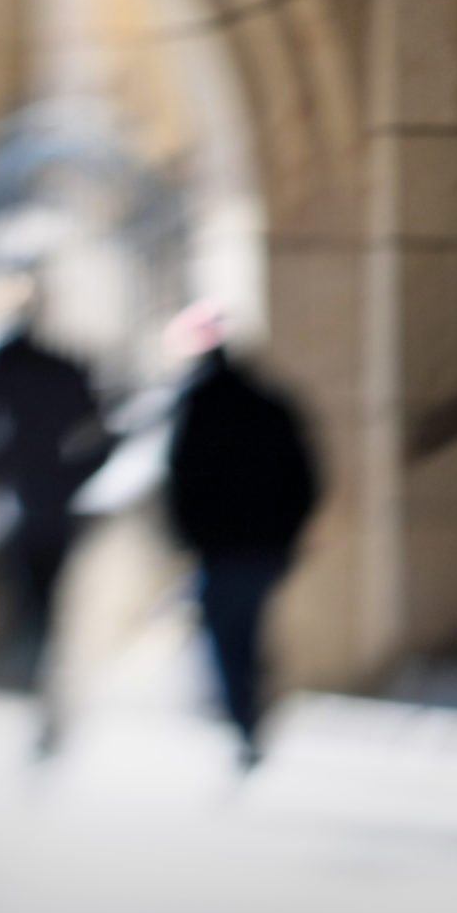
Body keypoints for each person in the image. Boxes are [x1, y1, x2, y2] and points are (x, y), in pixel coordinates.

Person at [0, 272, 115, 754]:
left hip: (30, 495)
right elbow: (99, 433)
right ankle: (39, 673)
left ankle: (35, 678)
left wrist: (4, 469)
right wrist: (71, 475)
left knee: (32, 595)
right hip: (52, 495)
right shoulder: (61, 365)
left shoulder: (6, 366)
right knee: (45, 595)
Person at [162, 302, 320, 768]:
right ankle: (251, 713)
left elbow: (180, 481)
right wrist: (287, 531)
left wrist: (191, 539)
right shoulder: (270, 402)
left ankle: (245, 719)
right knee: (245, 633)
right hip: (265, 546)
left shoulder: (195, 406)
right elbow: (306, 476)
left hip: (224, 548)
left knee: (228, 639)